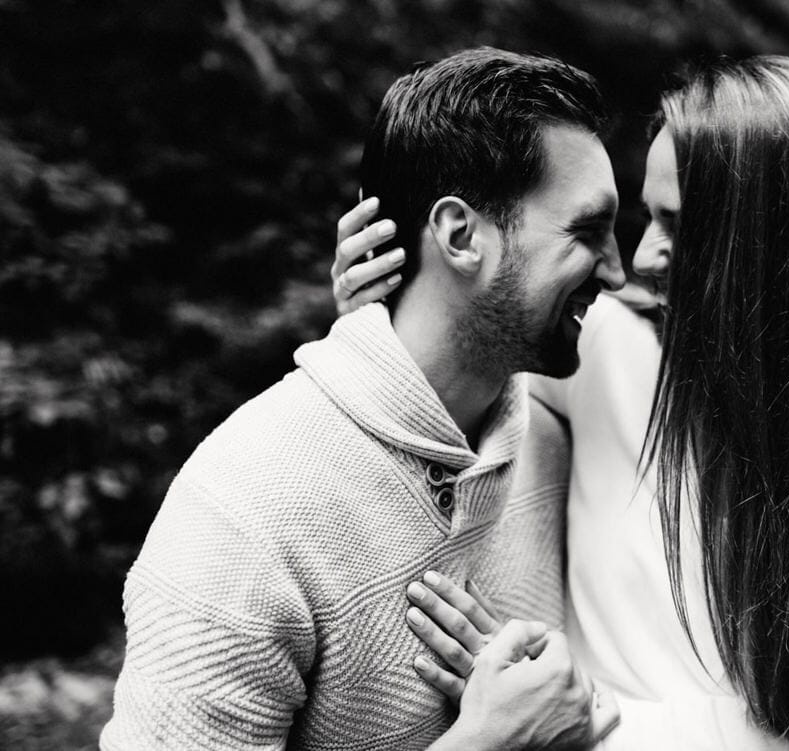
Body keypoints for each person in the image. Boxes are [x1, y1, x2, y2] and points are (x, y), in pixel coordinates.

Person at [332, 56, 789, 749]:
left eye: (679, 225)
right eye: (647, 217)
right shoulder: (605, 345)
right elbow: (450, 367)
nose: (641, 257)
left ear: (778, 240)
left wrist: (558, 717)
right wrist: (382, 316)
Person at [101, 48, 626, 750]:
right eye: (588, 232)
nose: (619, 271)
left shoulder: (548, 440)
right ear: (461, 235)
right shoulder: (241, 511)